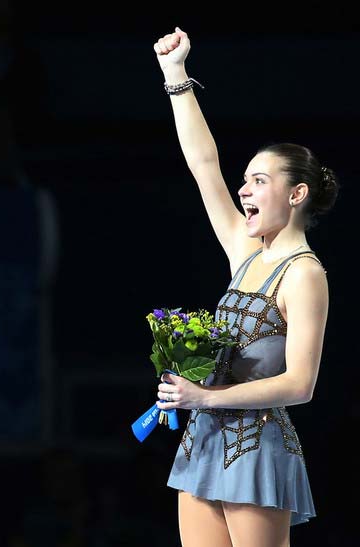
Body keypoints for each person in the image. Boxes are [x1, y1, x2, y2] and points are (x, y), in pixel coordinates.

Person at [152, 28, 338, 546]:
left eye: (260, 181)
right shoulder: (246, 249)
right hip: (203, 439)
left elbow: (300, 384)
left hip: (257, 447)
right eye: (246, 180)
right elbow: (203, 166)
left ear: (296, 194)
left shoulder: (304, 273)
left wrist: (206, 396)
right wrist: (176, 76)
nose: (243, 190)